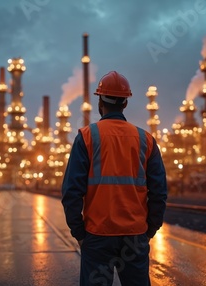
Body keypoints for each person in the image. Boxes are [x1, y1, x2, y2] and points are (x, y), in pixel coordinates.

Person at [61, 71, 168, 285]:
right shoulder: (145, 139)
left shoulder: (87, 137)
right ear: (125, 103)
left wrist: (79, 233)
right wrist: (149, 229)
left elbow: (71, 191)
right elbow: (159, 192)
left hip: (98, 235)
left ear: (100, 102)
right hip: (135, 236)